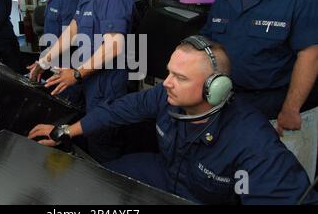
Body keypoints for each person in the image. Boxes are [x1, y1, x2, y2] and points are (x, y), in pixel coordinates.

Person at [29, 35, 318, 204]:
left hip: (204, 198)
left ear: (215, 88)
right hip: (167, 173)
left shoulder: (251, 139)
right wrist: (66, 130)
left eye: (179, 77)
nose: (166, 83)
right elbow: (116, 110)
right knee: (105, 176)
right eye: (169, 72)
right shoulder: (164, 96)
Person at [200, 0, 318, 136]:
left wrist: (290, 109)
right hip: (226, 104)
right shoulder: (223, 0)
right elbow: (208, 48)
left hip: (273, 112)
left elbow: (310, 55)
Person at [28, 0, 134, 163]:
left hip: (107, 88)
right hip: (90, 83)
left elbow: (115, 45)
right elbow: (71, 32)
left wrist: (76, 74)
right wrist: (43, 61)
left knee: (103, 144)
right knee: (87, 139)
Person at [35, 0, 82, 105]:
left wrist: (46, 62)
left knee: (66, 108)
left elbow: (69, 40)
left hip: (65, 67)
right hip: (52, 61)